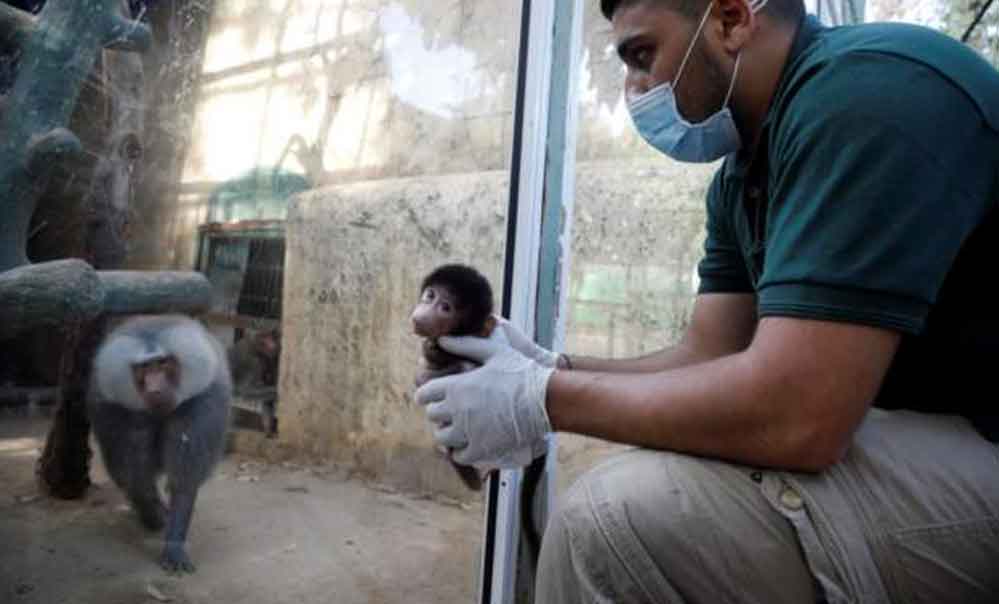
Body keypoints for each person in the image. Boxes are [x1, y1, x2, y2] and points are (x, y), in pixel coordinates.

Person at [416, 0, 999, 601]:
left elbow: (801, 415)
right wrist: (548, 368)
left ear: (731, 20)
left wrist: (541, 399)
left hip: (981, 442)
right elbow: (708, 355)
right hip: (919, 437)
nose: (634, 89)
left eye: (642, 55)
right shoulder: (743, 175)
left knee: (614, 527)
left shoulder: (871, 94)